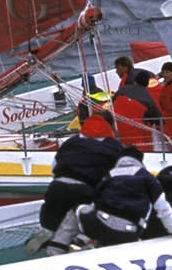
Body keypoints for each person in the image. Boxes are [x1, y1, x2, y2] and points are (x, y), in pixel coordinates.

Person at [25, 108, 125, 254]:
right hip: (84, 190)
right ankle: (81, 240)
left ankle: (47, 231)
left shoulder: (71, 142)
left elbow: (54, 167)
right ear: (110, 126)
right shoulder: (114, 146)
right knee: (82, 220)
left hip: (57, 187)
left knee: (53, 219)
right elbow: (117, 176)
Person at [52, 147, 172, 249]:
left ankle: (60, 248)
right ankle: (90, 242)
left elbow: (95, 202)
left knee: (78, 210)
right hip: (130, 233)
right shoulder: (147, 178)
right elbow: (163, 208)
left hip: (101, 223)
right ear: (140, 161)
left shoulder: (109, 176)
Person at [112, 68, 162, 151]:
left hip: (117, 129)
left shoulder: (123, 89)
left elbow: (112, 101)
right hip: (135, 134)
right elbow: (158, 118)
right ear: (146, 84)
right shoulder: (147, 97)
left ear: (135, 80)